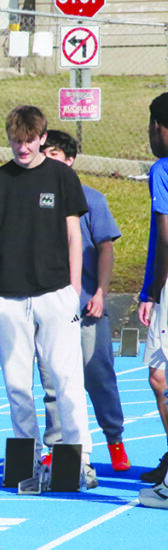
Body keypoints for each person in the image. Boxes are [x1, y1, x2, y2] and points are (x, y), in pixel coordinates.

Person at [0, 105, 96, 490]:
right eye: (16, 141)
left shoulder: (62, 177)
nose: (22, 148)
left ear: (42, 138)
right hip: (8, 298)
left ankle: (81, 459)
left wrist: (74, 289)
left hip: (55, 293)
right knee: (16, 383)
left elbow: (74, 234)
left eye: (29, 141)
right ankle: (25, 458)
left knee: (66, 379)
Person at [37, 130, 130, 472]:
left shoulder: (92, 200)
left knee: (98, 373)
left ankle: (114, 438)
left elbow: (106, 247)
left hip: (86, 305)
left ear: (70, 160)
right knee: (51, 378)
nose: (49, 162)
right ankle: (56, 445)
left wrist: (101, 293)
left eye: (56, 156)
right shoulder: (37, 200)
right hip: (48, 306)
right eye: (44, 155)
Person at [138, 92, 168, 507]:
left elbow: (165, 239)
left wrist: (152, 290)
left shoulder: (162, 170)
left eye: (152, 126)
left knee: (160, 376)